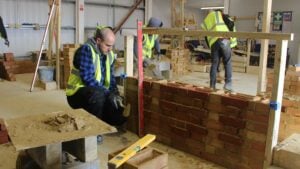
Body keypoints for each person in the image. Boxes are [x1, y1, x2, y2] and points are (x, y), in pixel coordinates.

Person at [66, 26, 128, 133]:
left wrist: (115, 94)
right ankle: (95, 131)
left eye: (112, 46)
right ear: (98, 40)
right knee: (98, 94)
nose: (110, 49)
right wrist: (107, 93)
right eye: (107, 45)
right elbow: (88, 79)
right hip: (77, 94)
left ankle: (108, 121)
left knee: (115, 105)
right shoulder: (86, 50)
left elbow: (111, 79)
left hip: (97, 92)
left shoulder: (109, 55)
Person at [201, 10, 237, 91]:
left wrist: (211, 45)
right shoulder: (223, 16)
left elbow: (206, 35)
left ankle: (212, 85)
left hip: (214, 42)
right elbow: (232, 26)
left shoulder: (208, 18)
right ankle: (228, 85)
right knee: (227, 62)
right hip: (225, 40)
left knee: (214, 64)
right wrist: (231, 44)